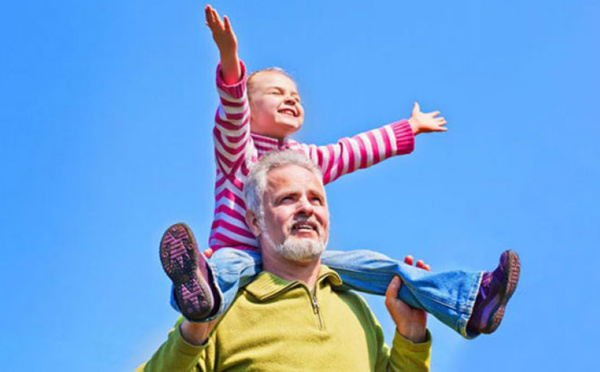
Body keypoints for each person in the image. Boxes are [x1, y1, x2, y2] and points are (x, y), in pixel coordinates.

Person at [160, 4, 520, 340]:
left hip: (296, 256)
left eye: (296, 97)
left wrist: (408, 128)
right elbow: (233, 112)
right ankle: (199, 289)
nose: (291, 99)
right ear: (251, 109)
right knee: (224, 264)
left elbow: (353, 151)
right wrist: (229, 61)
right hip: (241, 254)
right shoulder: (237, 150)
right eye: (277, 93)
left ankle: (469, 301)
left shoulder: (305, 158)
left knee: (382, 266)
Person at [139, 150, 433, 371]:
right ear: (255, 222)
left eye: (316, 199)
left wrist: (411, 336)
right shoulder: (224, 310)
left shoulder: (355, 308)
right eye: (288, 199)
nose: (306, 207)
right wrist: (194, 331)